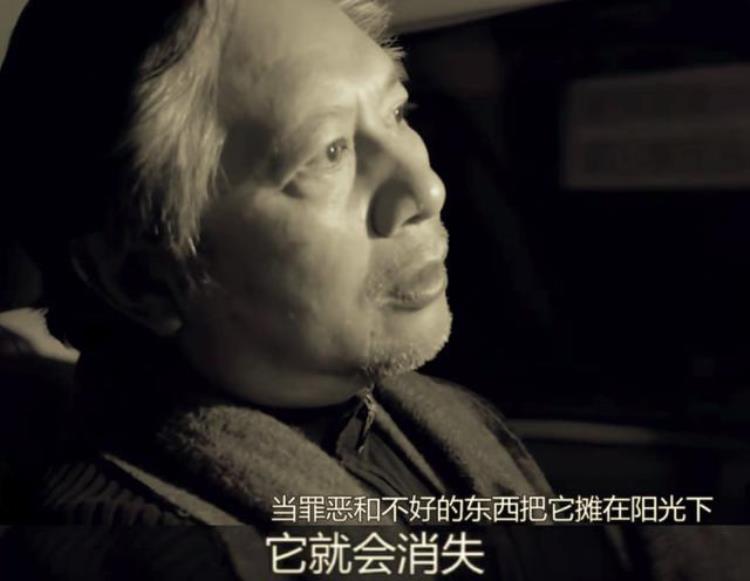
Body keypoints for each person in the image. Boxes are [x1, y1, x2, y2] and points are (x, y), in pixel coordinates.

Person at [0, 1, 744, 580]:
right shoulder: (140, 552)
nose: (426, 186)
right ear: (140, 279)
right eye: (327, 152)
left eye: (395, 112)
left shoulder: (438, 423)